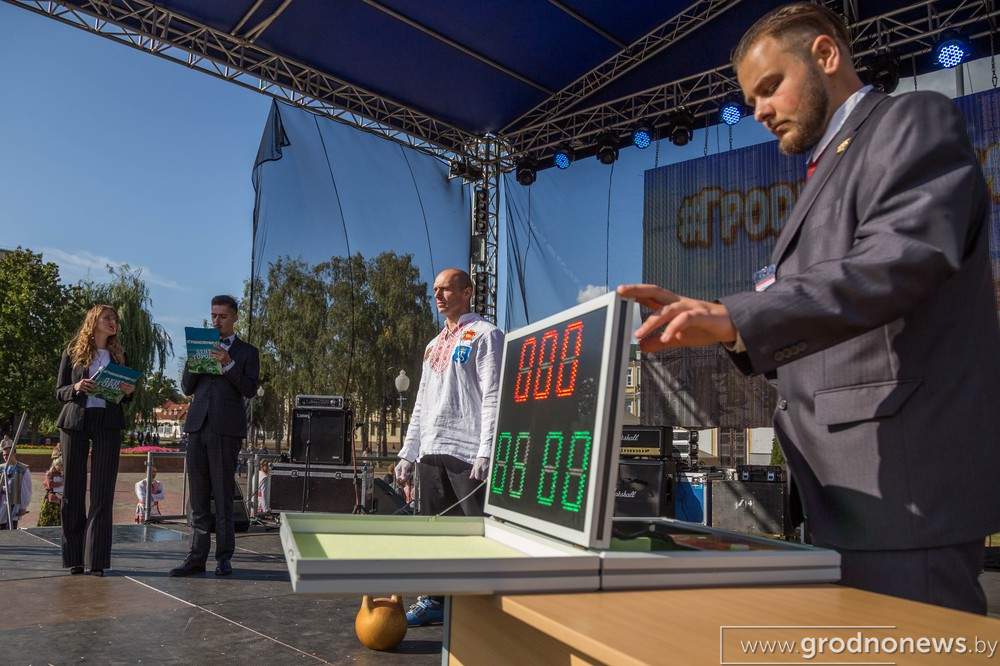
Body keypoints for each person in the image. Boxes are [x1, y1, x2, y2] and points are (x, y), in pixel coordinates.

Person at [620, 2, 1000, 614]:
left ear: (826, 54)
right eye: (750, 100)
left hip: (903, 493)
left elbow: (897, 261)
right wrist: (724, 322)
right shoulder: (828, 166)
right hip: (842, 492)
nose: (759, 111)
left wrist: (739, 317)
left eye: (770, 87)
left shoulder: (912, 120)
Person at [395, 268, 503, 626]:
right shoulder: (432, 345)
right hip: (432, 449)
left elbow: (493, 395)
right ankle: (434, 598)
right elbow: (422, 402)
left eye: (446, 289)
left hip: (468, 451)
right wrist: (408, 452)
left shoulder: (486, 334)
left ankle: (485, 605)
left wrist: (487, 449)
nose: (438, 296)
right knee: (434, 531)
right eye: (435, 290)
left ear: (467, 292)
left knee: (475, 531)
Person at [170, 295, 260, 577]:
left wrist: (229, 363)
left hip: (226, 430)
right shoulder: (202, 346)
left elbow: (249, 389)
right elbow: (187, 388)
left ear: (234, 318)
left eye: (222, 316)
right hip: (197, 427)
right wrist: (194, 360)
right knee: (198, 498)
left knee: (222, 497)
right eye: (213, 316)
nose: (217, 321)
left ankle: (223, 557)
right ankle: (196, 558)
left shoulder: (247, 352)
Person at [55, 304, 135, 575]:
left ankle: (96, 561)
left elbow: (127, 396)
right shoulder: (73, 351)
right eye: (107, 317)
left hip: (108, 423)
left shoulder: (120, 355)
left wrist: (128, 391)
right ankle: (74, 558)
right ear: (94, 321)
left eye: (115, 318)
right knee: (73, 490)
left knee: (102, 492)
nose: (113, 321)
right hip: (75, 422)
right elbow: (59, 391)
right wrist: (76, 387)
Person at [1, 438, 31, 530]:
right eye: (3, 455)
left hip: (13, 506)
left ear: (14, 453)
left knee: (10, 530)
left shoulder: (22, 469)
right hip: (1, 503)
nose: (5, 457)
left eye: (7, 454)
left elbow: (26, 490)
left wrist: (23, 507)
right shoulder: (1, 468)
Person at [38, 459, 65, 527]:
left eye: (62, 466)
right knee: (47, 519)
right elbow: (50, 484)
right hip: (50, 501)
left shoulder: (62, 474)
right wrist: (61, 483)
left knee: (58, 519)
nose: (61, 468)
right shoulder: (49, 474)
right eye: (59, 466)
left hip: (59, 500)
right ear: (55, 465)